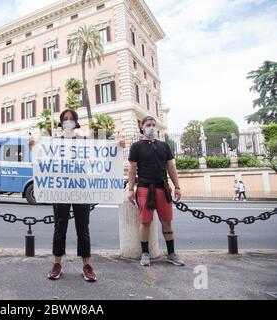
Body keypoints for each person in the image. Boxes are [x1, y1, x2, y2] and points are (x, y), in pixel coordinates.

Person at [30, 109, 125, 282]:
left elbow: (100, 157)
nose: (68, 121)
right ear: (61, 122)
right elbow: (42, 161)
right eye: (65, 119)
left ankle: (87, 265)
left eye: (71, 118)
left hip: (82, 190)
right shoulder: (53, 143)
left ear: (76, 122)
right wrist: (33, 148)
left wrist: (117, 146)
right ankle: (57, 264)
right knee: (59, 228)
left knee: (83, 228)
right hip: (61, 191)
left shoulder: (84, 142)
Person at [127, 116, 185, 267]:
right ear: (142, 127)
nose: (151, 127)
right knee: (145, 222)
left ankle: (171, 254)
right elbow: (132, 170)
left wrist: (177, 187)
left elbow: (171, 168)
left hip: (163, 188)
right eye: (148, 125)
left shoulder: (164, 146)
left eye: (153, 125)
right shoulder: (136, 147)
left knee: (167, 222)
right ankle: (145, 254)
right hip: (145, 189)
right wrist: (130, 189)